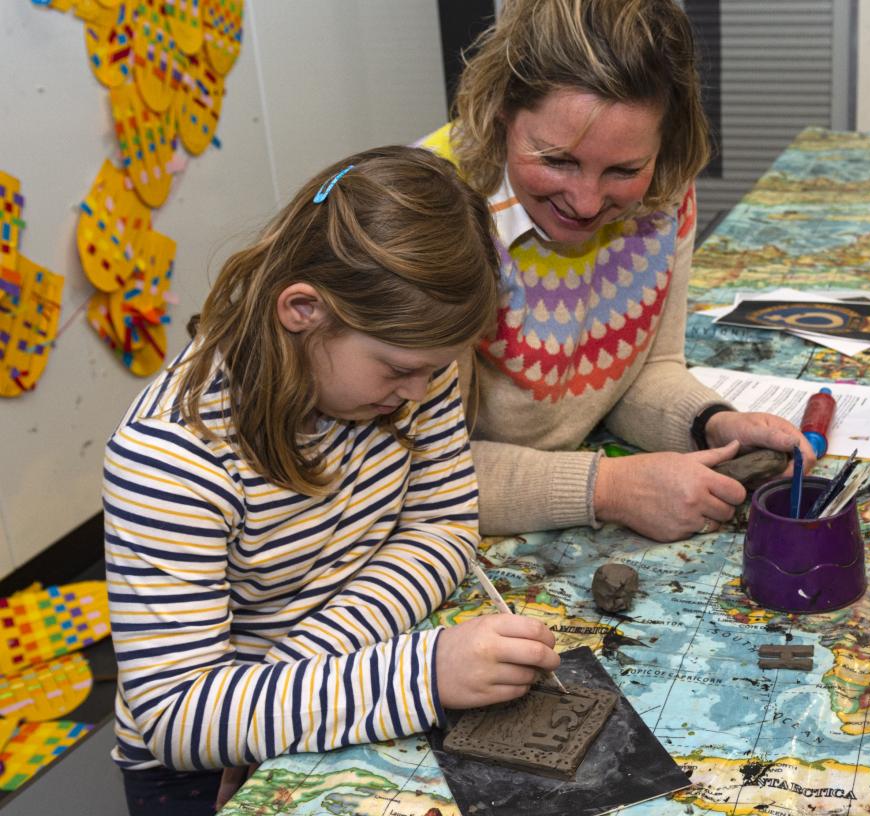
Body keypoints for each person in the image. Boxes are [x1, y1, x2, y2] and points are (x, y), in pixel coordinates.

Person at [103, 146, 562, 816]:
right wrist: (424, 674)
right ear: (302, 309)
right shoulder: (171, 458)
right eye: (399, 369)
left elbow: (443, 529)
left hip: (314, 695)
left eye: (433, 372)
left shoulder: (407, 366)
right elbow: (179, 717)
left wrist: (308, 657)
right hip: (204, 766)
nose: (416, 394)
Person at [419, 0, 811, 543]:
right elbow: (417, 480)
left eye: (624, 169)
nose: (585, 202)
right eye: (556, 160)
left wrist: (712, 425)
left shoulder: (662, 190)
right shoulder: (429, 220)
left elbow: (638, 373)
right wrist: (609, 488)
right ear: (501, 109)